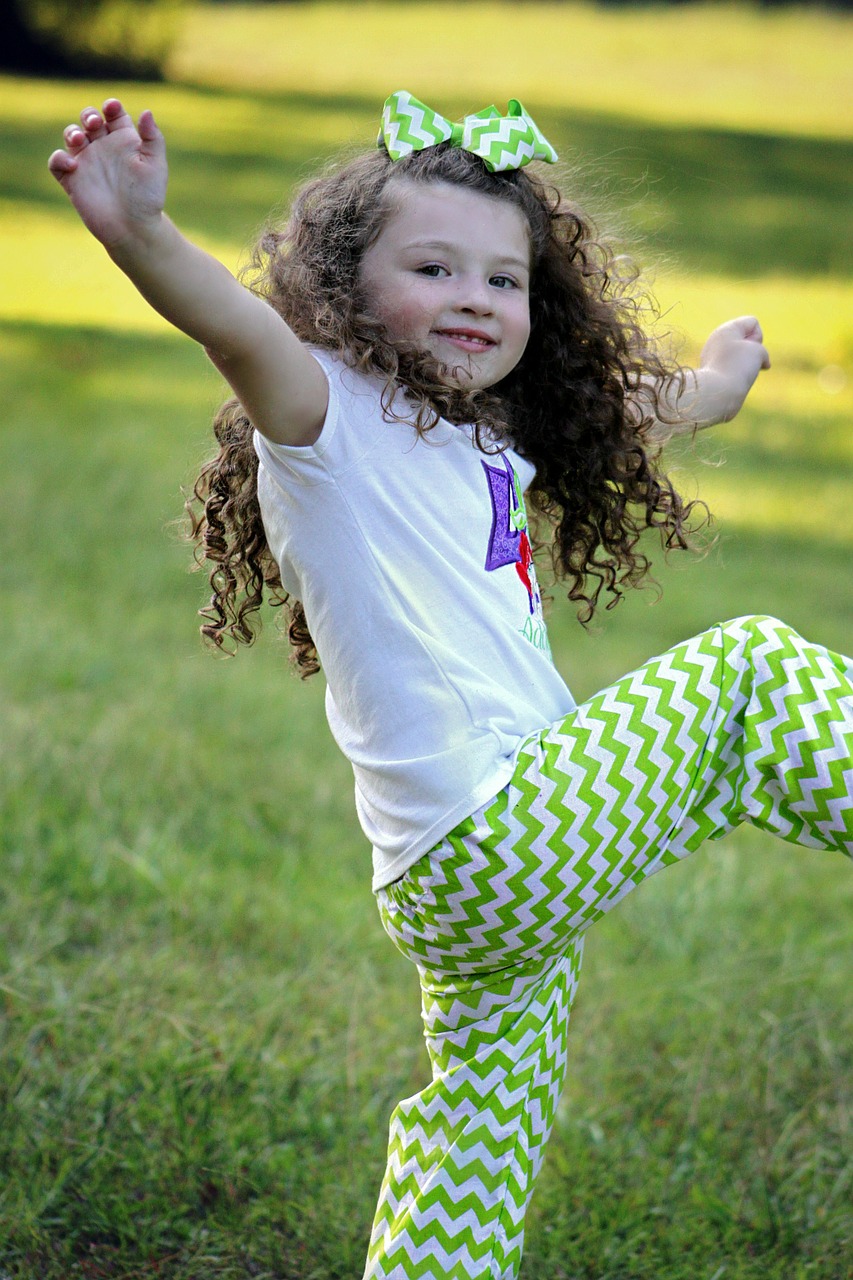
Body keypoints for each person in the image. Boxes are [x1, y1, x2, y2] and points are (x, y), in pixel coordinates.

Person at [49, 91, 851, 1280]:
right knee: (752, 668)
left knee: (480, 1122)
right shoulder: (321, 411)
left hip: (455, 874)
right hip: (495, 836)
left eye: (503, 279)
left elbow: (614, 418)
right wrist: (140, 234)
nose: (475, 298)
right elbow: (235, 330)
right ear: (343, 285)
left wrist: (710, 390)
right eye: (434, 267)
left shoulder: (478, 432)